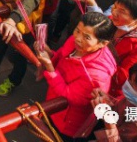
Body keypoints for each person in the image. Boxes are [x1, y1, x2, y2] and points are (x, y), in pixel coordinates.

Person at [35, 12, 117, 141]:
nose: (78, 38)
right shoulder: (77, 43)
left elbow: (69, 96)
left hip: (67, 122)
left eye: (87, 37)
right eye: (77, 30)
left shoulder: (96, 76)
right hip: (54, 106)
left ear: (103, 43)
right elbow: (63, 56)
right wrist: (50, 53)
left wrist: (50, 67)